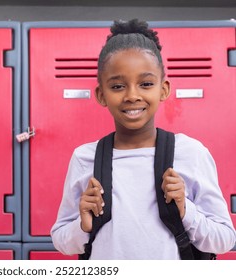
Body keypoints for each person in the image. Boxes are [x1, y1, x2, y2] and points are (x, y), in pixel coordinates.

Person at [50, 19, 236, 259]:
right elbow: (61, 240)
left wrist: (185, 209)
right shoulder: (85, 158)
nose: (132, 95)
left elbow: (224, 240)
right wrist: (83, 225)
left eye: (146, 84)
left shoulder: (190, 152)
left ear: (163, 89)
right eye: (117, 86)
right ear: (101, 94)